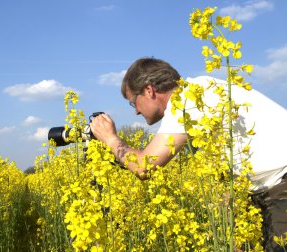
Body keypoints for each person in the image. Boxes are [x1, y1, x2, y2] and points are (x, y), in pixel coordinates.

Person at [89, 57, 287, 251]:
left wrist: (110, 139)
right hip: (266, 188)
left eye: (134, 102)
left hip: (280, 182)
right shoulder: (199, 92)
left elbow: (144, 166)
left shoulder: (187, 101)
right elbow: (224, 171)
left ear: (149, 90)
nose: (136, 113)